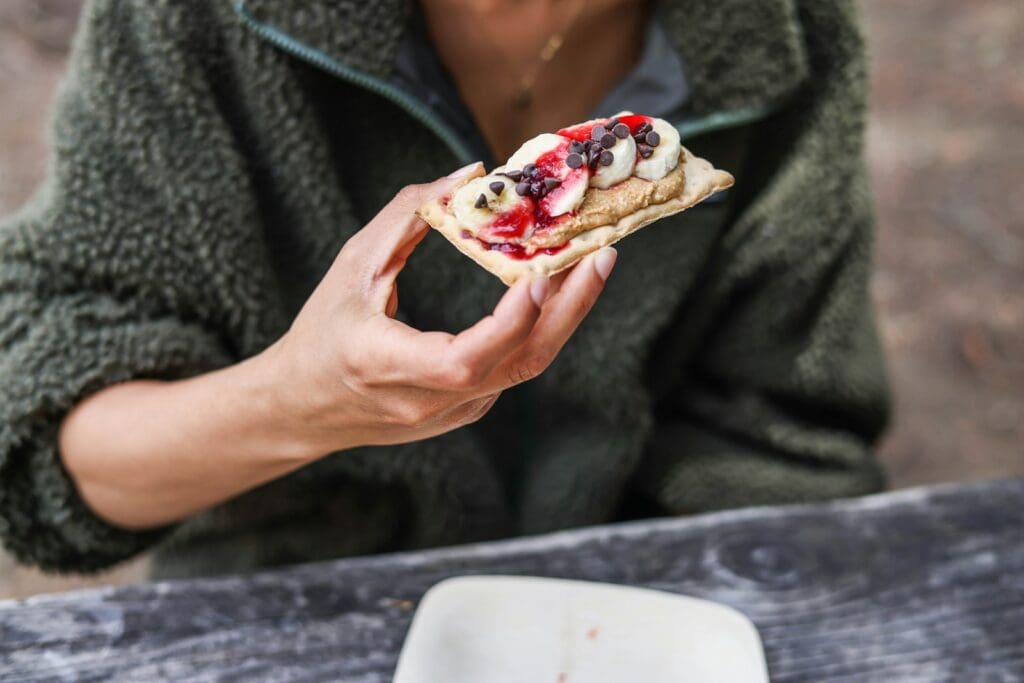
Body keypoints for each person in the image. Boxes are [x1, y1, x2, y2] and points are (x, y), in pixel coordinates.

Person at [0, 0, 889, 579]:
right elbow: (43, 446)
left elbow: (786, 438)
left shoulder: (789, 41)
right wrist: (301, 403)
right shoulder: (195, 25)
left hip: (629, 603)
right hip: (290, 603)